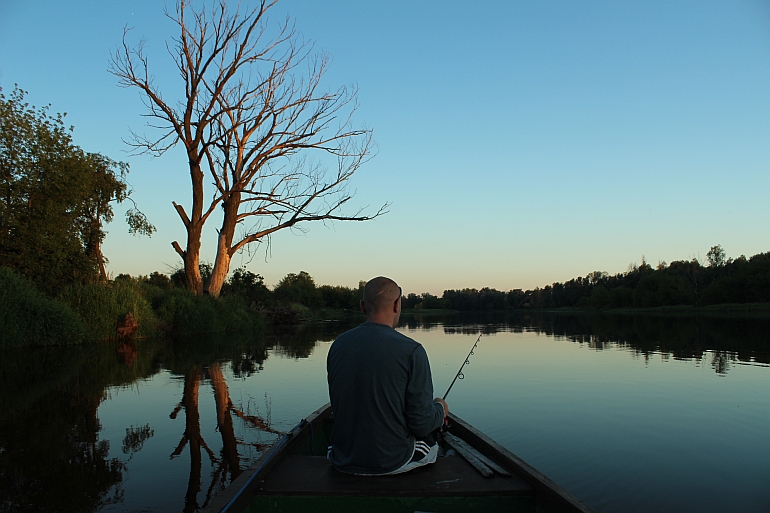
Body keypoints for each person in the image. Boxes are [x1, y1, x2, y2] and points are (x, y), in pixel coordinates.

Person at [326, 276, 449, 475]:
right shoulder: (412, 350)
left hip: (341, 460)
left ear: (362, 306)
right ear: (397, 305)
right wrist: (440, 408)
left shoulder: (337, 345)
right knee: (431, 444)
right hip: (392, 462)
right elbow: (422, 424)